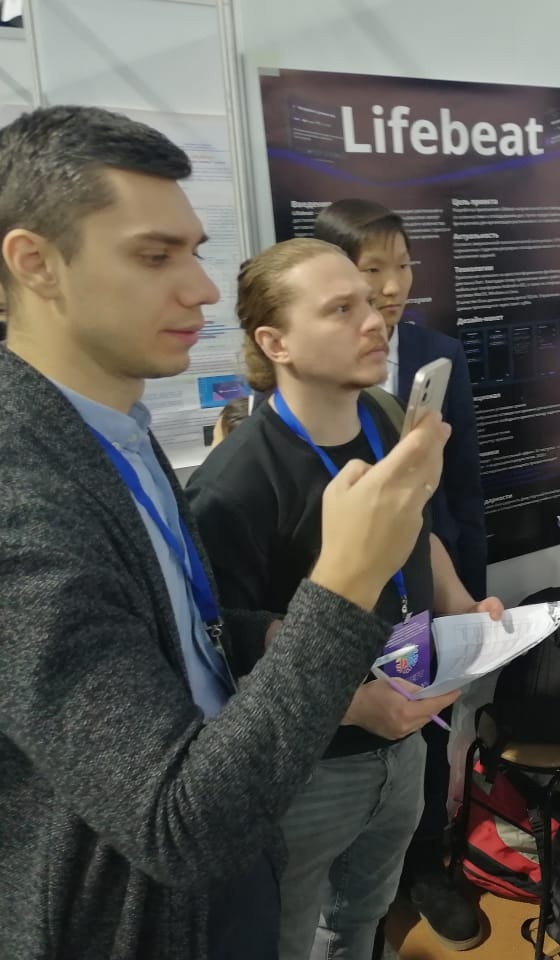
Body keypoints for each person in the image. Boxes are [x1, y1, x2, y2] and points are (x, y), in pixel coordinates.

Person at [0, 105, 449, 960]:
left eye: (194, 251)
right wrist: (343, 584)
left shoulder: (117, 436)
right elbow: (177, 825)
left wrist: (263, 632)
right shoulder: (22, 493)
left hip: (244, 851)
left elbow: (176, 638)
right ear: (36, 264)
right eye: (154, 255)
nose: (203, 290)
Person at [186, 237, 503, 960]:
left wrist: (461, 603)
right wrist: (357, 705)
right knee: (288, 936)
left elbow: (418, 531)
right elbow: (221, 655)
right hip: (311, 769)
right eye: (340, 309)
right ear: (276, 342)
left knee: (364, 915)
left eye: (368, 301)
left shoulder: (386, 420)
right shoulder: (232, 488)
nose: (374, 319)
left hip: (406, 738)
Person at [311, 197, 487, 948]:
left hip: (428, 580)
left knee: (426, 731)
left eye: (404, 265)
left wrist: (467, 596)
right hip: (347, 594)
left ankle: (424, 868)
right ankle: (350, 899)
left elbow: (463, 487)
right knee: (351, 744)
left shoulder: (437, 350)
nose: (392, 286)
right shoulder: (313, 362)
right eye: (372, 268)